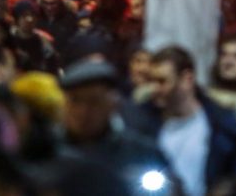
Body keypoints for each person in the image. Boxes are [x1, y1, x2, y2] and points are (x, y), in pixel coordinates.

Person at [129, 46, 236, 196]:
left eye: (162, 81)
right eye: (152, 81)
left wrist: (229, 186)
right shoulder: (141, 121)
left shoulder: (221, 122)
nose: (155, 88)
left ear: (186, 79)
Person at [59, 59, 178, 194]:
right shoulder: (47, 152)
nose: (83, 111)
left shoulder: (142, 154)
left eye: (94, 101)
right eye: (75, 100)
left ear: (113, 103)